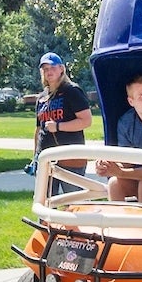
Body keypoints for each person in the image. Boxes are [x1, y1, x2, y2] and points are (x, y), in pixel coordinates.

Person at [34, 52, 93, 196]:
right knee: (45, 203)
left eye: (52, 68)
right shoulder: (42, 98)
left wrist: (59, 126)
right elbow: (38, 129)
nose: (49, 72)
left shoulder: (72, 91)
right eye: (45, 69)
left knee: (73, 202)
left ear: (61, 69)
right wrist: (35, 156)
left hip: (70, 157)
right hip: (46, 158)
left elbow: (86, 120)